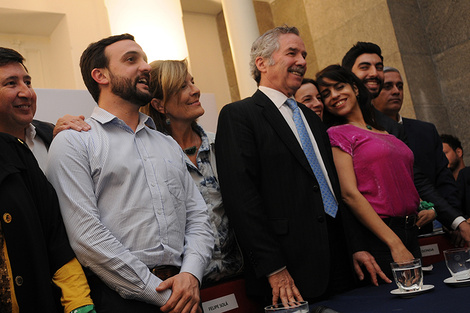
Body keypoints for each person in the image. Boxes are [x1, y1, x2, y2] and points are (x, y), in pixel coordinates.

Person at [215, 25, 388, 307]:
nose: (302, 62)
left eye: (304, 55)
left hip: (342, 261)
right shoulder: (239, 115)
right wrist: (273, 267)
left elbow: (333, 185)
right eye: (292, 53)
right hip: (290, 271)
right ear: (262, 63)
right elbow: (241, 199)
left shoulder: (311, 116)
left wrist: (355, 245)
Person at [46, 34, 213, 313]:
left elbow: (198, 217)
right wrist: (161, 294)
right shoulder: (75, 141)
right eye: (131, 60)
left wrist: (191, 274)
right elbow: (86, 236)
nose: (146, 67)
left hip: (186, 293)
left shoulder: (166, 143)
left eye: (144, 59)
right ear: (100, 75)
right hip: (120, 300)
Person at [342, 41, 470, 243]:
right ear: (347, 74)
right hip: (361, 240)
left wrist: (457, 221)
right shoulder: (333, 120)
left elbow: (416, 178)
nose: (374, 73)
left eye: (379, 67)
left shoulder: (389, 126)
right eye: (365, 67)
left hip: (407, 236)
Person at [0, 47, 95, 313]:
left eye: (27, 82)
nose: (26, 92)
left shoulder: (55, 136)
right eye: (11, 83)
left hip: (83, 282)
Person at [316, 64, 433, 277]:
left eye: (339, 87)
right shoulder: (337, 133)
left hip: (410, 230)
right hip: (381, 236)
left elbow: (405, 179)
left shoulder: (384, 130)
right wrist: (394, 243)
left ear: (355, 88)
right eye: (326, 94)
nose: (334, 96)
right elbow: (349, 194)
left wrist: (428, 207)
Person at [140, 59, 243, 285]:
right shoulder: (150, 158)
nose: (196, 91)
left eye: (192, 82)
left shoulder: (221, 144)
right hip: (188, 287)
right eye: (182, 87)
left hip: (242, 278)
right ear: (159, 105)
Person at [374, 66, 459, 232]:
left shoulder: (425, 131)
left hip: (439, 227)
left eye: (400, 86)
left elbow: (444, 180)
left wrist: (454, 220)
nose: (396, 91)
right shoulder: (366, 134)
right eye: (388, 86)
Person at [441, 134, 470, 217]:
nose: (442, 158)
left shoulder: (467, 173)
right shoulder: (443, 187)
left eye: (445, 153)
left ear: (458, 152)